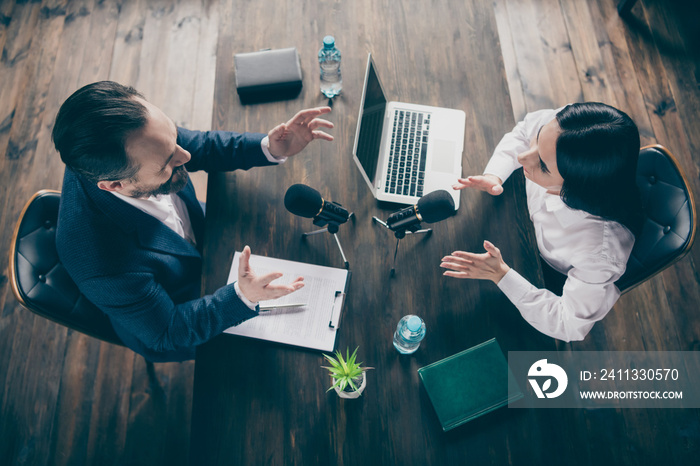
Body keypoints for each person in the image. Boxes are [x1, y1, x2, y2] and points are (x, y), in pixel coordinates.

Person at [52, 81, 334, 362]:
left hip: (202, 238)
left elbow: (200, 146)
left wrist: (270, 147)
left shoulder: (139, 136)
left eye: (174, 138)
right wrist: (240, 298)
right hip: (184, 310)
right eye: (167, 164)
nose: (185, 156)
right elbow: (168, 332)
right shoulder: (99, 264)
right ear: (115, 185)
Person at [440, 102, 643, 342]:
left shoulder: (598, 254)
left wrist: (501, 274)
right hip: (515, 216)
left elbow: (568, 325)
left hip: (540, 272)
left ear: (575, 188)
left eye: (543, 166)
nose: (523, 157)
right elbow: (526, 130)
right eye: (538, 140)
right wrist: (495, 173)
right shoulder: (561, 130)